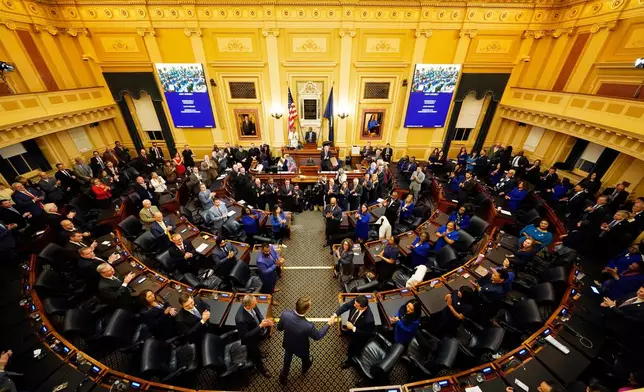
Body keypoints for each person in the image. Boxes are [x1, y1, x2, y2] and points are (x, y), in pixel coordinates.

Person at [276, 296, 336, 386]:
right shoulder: (308, 326)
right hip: (302, 348)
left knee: (287, 360)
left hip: (288, 344)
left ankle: (283, 376)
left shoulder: (285, 314)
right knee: (305, 359)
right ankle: (304, 369)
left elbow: (279, 328)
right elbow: (318, 336)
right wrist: (329, 323)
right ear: (307, 310)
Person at [235, 295, 273, 378]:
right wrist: (260, 326)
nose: (256, 304)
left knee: (257, 347)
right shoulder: (240, 319)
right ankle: (262, 369)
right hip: (249, 340)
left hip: (255, 333)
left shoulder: (251, 303)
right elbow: (245, 337)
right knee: (255, 355)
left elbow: (257, 312)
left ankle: (259, 353)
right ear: (248, 306)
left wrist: (262, 320)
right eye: (254, 304)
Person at [333, 295, 375, 368]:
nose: (353, 304)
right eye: (354, 303)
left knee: (353, 349)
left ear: (362, 307)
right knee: (345, 331)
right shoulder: (357, 301)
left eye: (356, 305)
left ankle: (350, 361)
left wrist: (353, 328)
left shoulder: (369, 320)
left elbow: (366, 334)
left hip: (358, 336)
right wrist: (335, 315)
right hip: (351, 325)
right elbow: (346, 306)